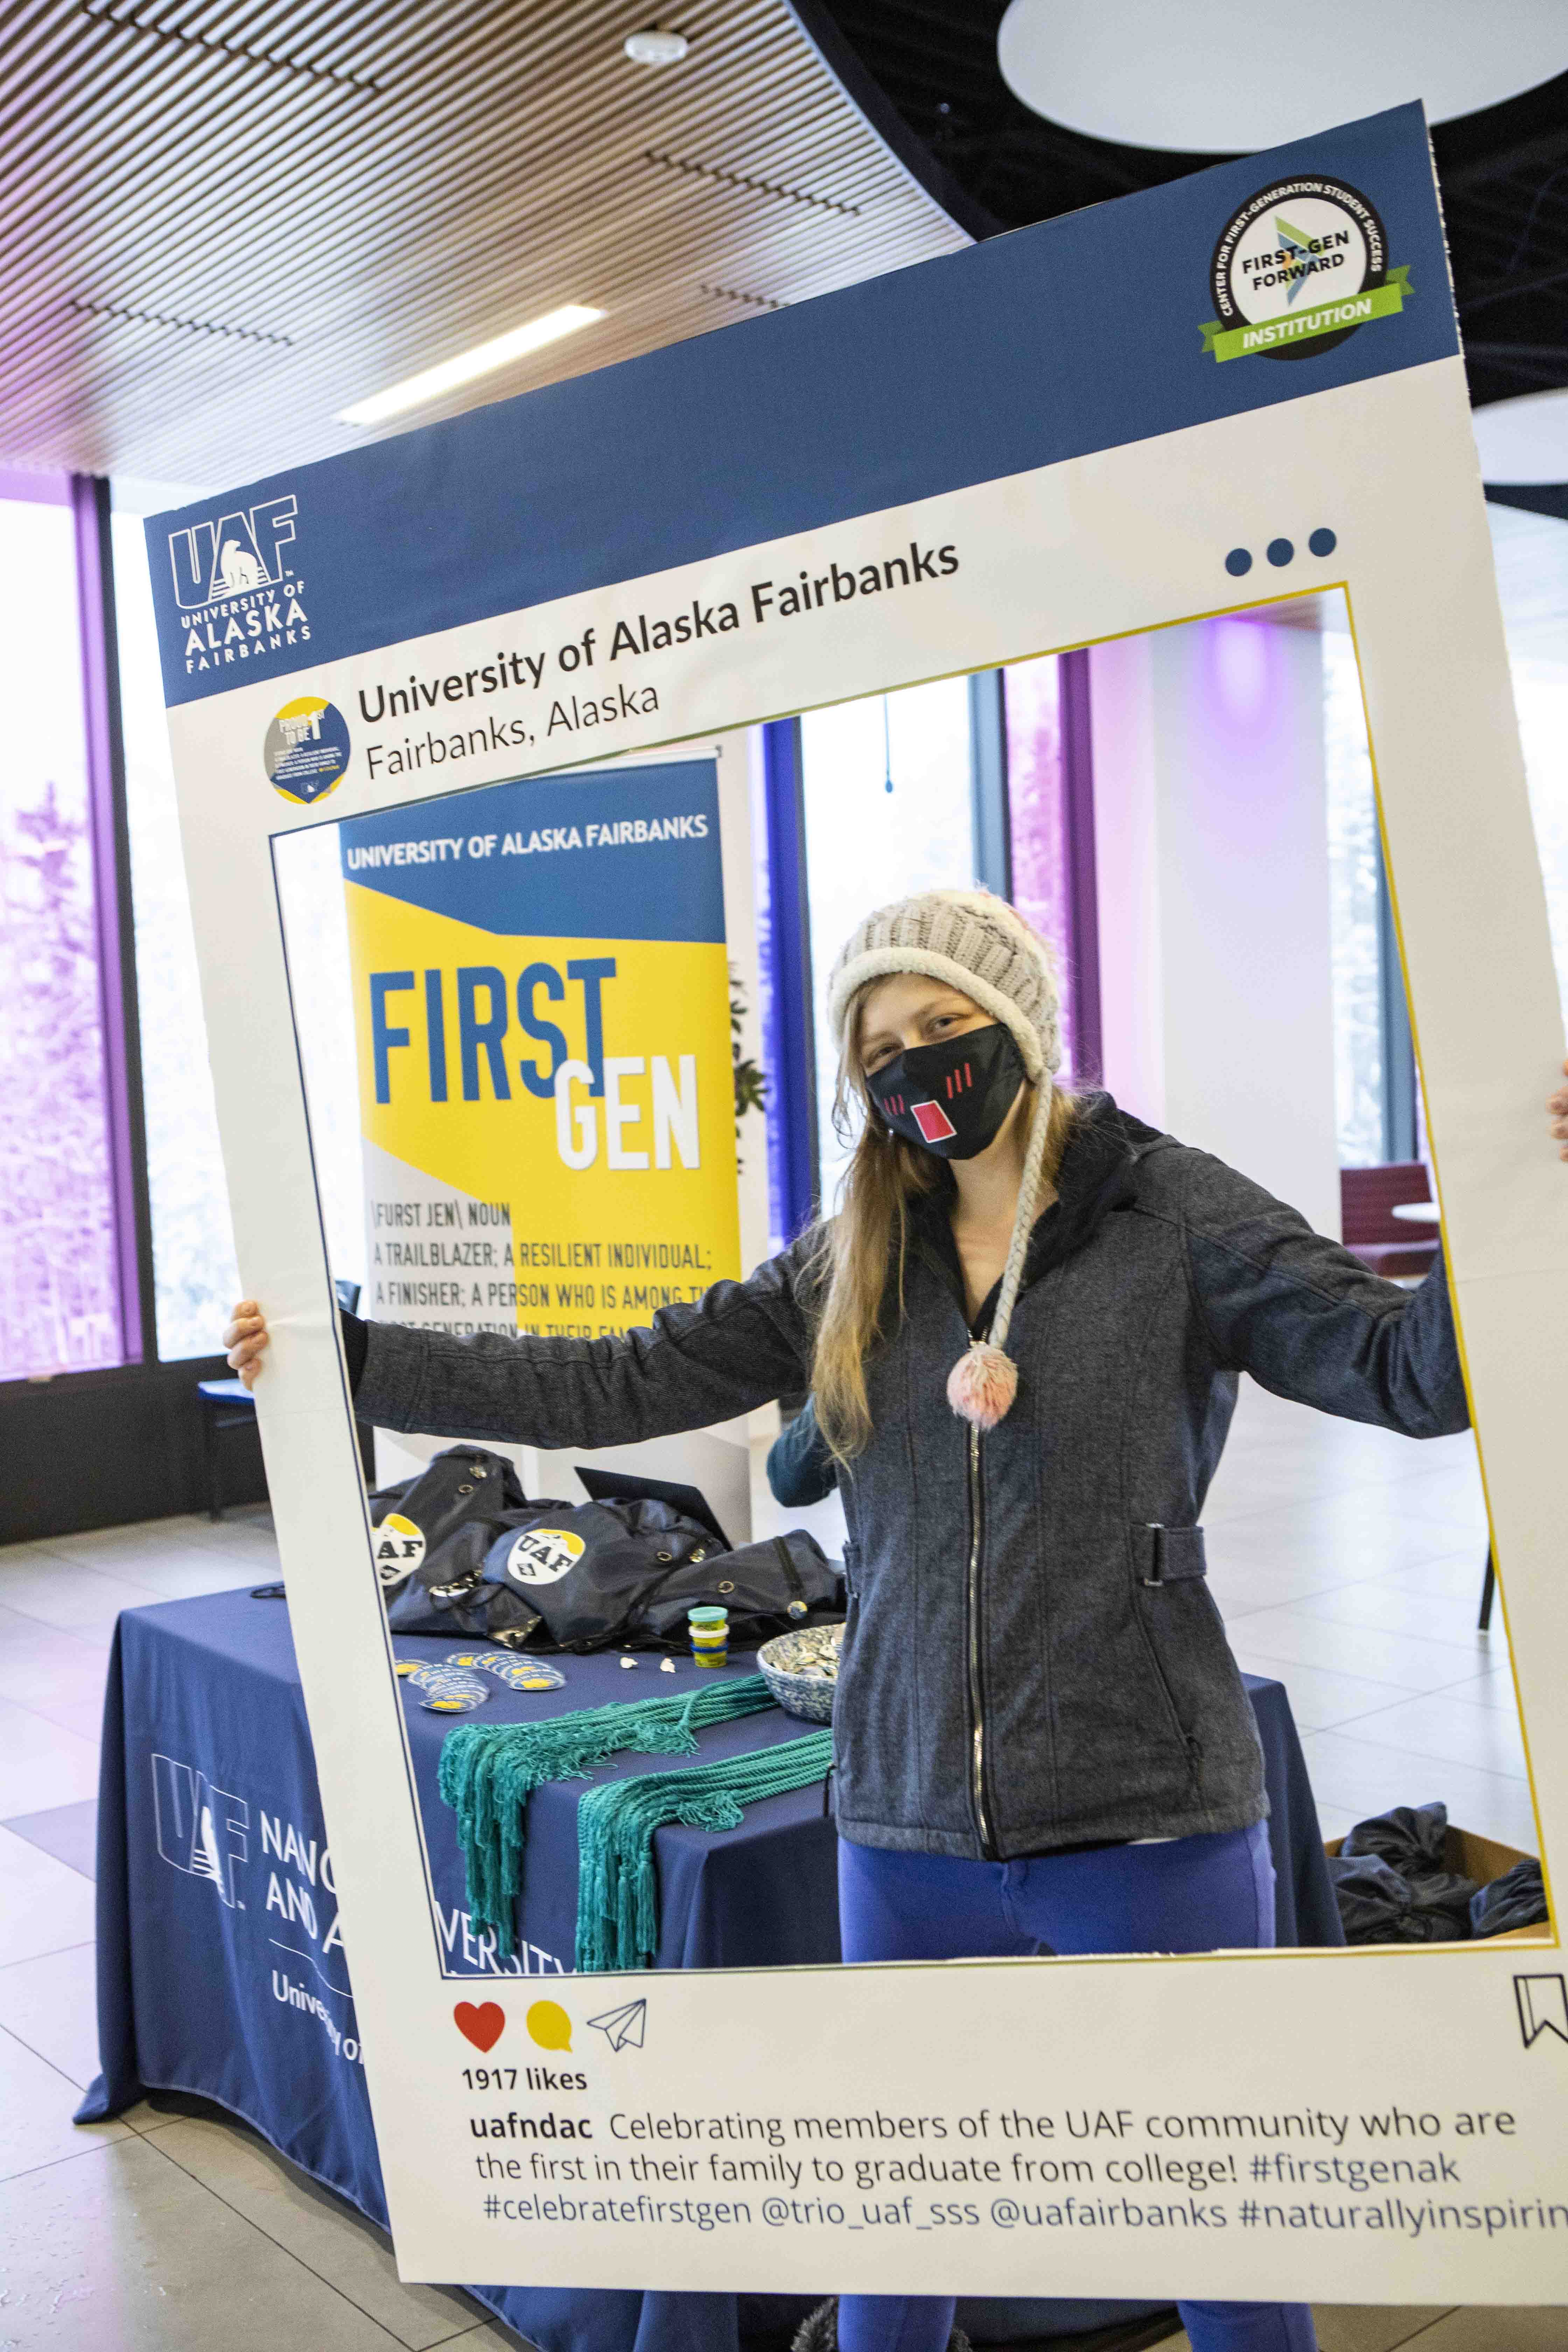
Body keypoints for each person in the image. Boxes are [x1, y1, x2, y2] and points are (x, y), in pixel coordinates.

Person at [227, 887, 1568, 2352]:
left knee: (1225, 2240)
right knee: (898, 2247)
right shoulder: (848, 1258)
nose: (914, 1065)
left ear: (1023, 1030)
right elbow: (610, 1381)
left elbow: (1405, 1374)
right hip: (905, 1822)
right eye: (880, 1045)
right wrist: (350, 1357)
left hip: (1147, 1816)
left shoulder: (1166, 1211)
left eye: (943, 1025)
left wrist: (1526, 1212)